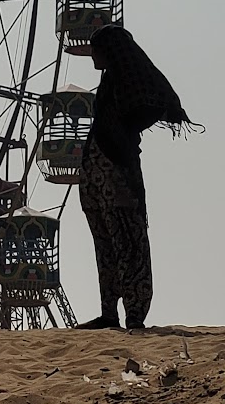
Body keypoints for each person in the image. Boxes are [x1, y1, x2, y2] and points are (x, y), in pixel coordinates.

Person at [75, 23, 195, 332]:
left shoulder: (125, 80)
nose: (91, 56)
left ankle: (134, 315)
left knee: (129, 242)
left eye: (96, 50)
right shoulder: (111, 82)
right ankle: (109, 313)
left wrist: (125, 133)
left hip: (117, 177)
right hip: (98, 178)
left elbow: (150, 102)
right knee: (106, 245)